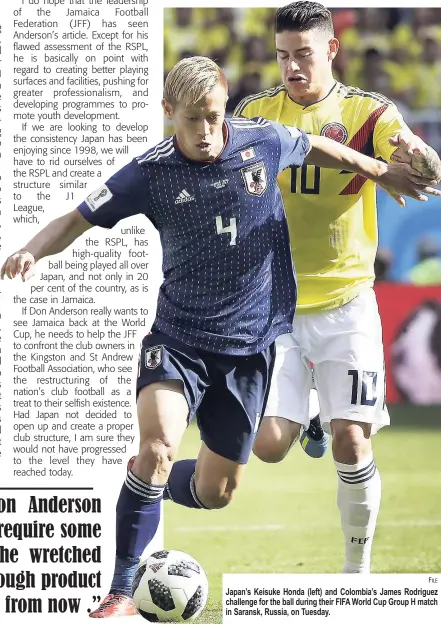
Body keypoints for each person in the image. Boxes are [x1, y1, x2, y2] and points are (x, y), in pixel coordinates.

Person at [2, 56, 438, 618]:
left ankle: (144, 488)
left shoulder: (262, 140)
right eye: (192, 121)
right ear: (168, 114)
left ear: (224, 107)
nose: (206, 132)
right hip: (178, 338)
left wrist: (381, 172)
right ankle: (119, 590)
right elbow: (78, 217)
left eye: (213, 117)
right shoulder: (148, 173)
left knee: (216, 492)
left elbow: (324, 149)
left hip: (249, 350)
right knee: (157, 449)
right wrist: (30, 249)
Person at [234, 1, 441, 574]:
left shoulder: (367, 112)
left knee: (353, 442)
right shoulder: (255, 112)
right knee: (269, 445)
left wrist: (421, 159)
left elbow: (426, 166)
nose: (292, 67)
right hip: (276, 308)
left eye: (303, 54)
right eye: (282, 57)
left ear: (331, 49)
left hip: (347, 301)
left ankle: (357, 573)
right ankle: (315, 417)